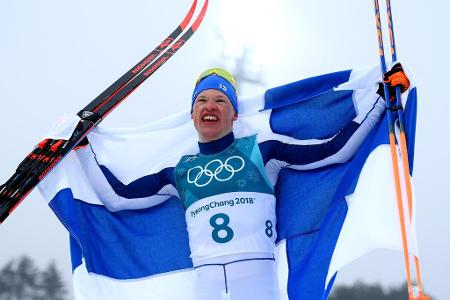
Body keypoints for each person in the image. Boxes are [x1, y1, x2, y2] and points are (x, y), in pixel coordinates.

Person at [81, 66, 409, 300]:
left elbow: (335, 150)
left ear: (234, 114)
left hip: (257, 286)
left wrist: (382, 96)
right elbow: (117, 197)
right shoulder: (179, 171)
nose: (210, 106)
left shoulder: (262, 151)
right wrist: (81, 149)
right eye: (201, 101)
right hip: (206, 288)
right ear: (193, 115)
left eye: (220, 101)